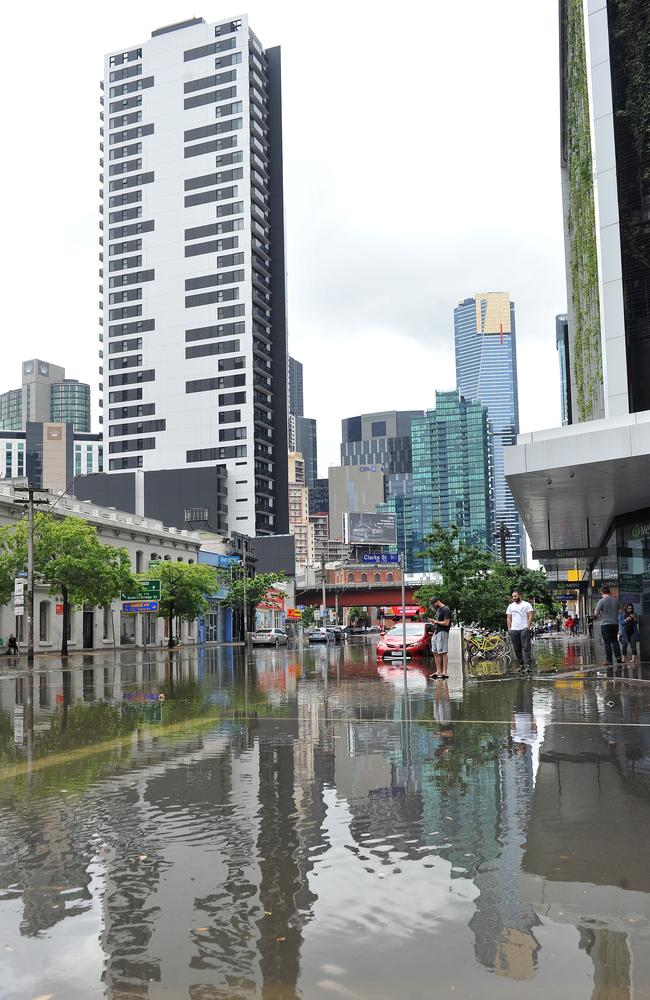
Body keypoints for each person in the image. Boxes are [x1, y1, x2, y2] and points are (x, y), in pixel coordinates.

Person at [593, 585, 623, 674]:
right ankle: (618, 658)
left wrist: (601, 613)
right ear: (609, 592)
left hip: (605, 624)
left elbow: (596, 613)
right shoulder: (615, 600)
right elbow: (621, 611)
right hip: (615, 624)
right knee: (615, 641)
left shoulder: (601, 601)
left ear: (602, 592)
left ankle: (609, 660)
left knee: (607, 642)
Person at [506, 590, 534, 673]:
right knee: (517, 649)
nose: (514, 598)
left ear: (520, 595)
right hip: (514, 630)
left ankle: (528, 665)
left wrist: (528, 627)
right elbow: (509, 617)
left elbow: (530, 615)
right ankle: (521, 665)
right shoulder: (510, 606)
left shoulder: (526, 604)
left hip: (524, 628)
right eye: (513, 596)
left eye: (515, 596)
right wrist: (509, 629)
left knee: (526, 648)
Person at [428, 597, 451, 680]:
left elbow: (446, 623)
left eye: (433, 604)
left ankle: (445, 672)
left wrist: (436, 622)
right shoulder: (438, 610)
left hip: (443, 632)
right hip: (436, 631)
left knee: (443, 652)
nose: (433, 606)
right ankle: (438, 671)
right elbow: (438, 622)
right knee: (435, 652)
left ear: (437, 602)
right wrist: (433, 623)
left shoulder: (445, 609)